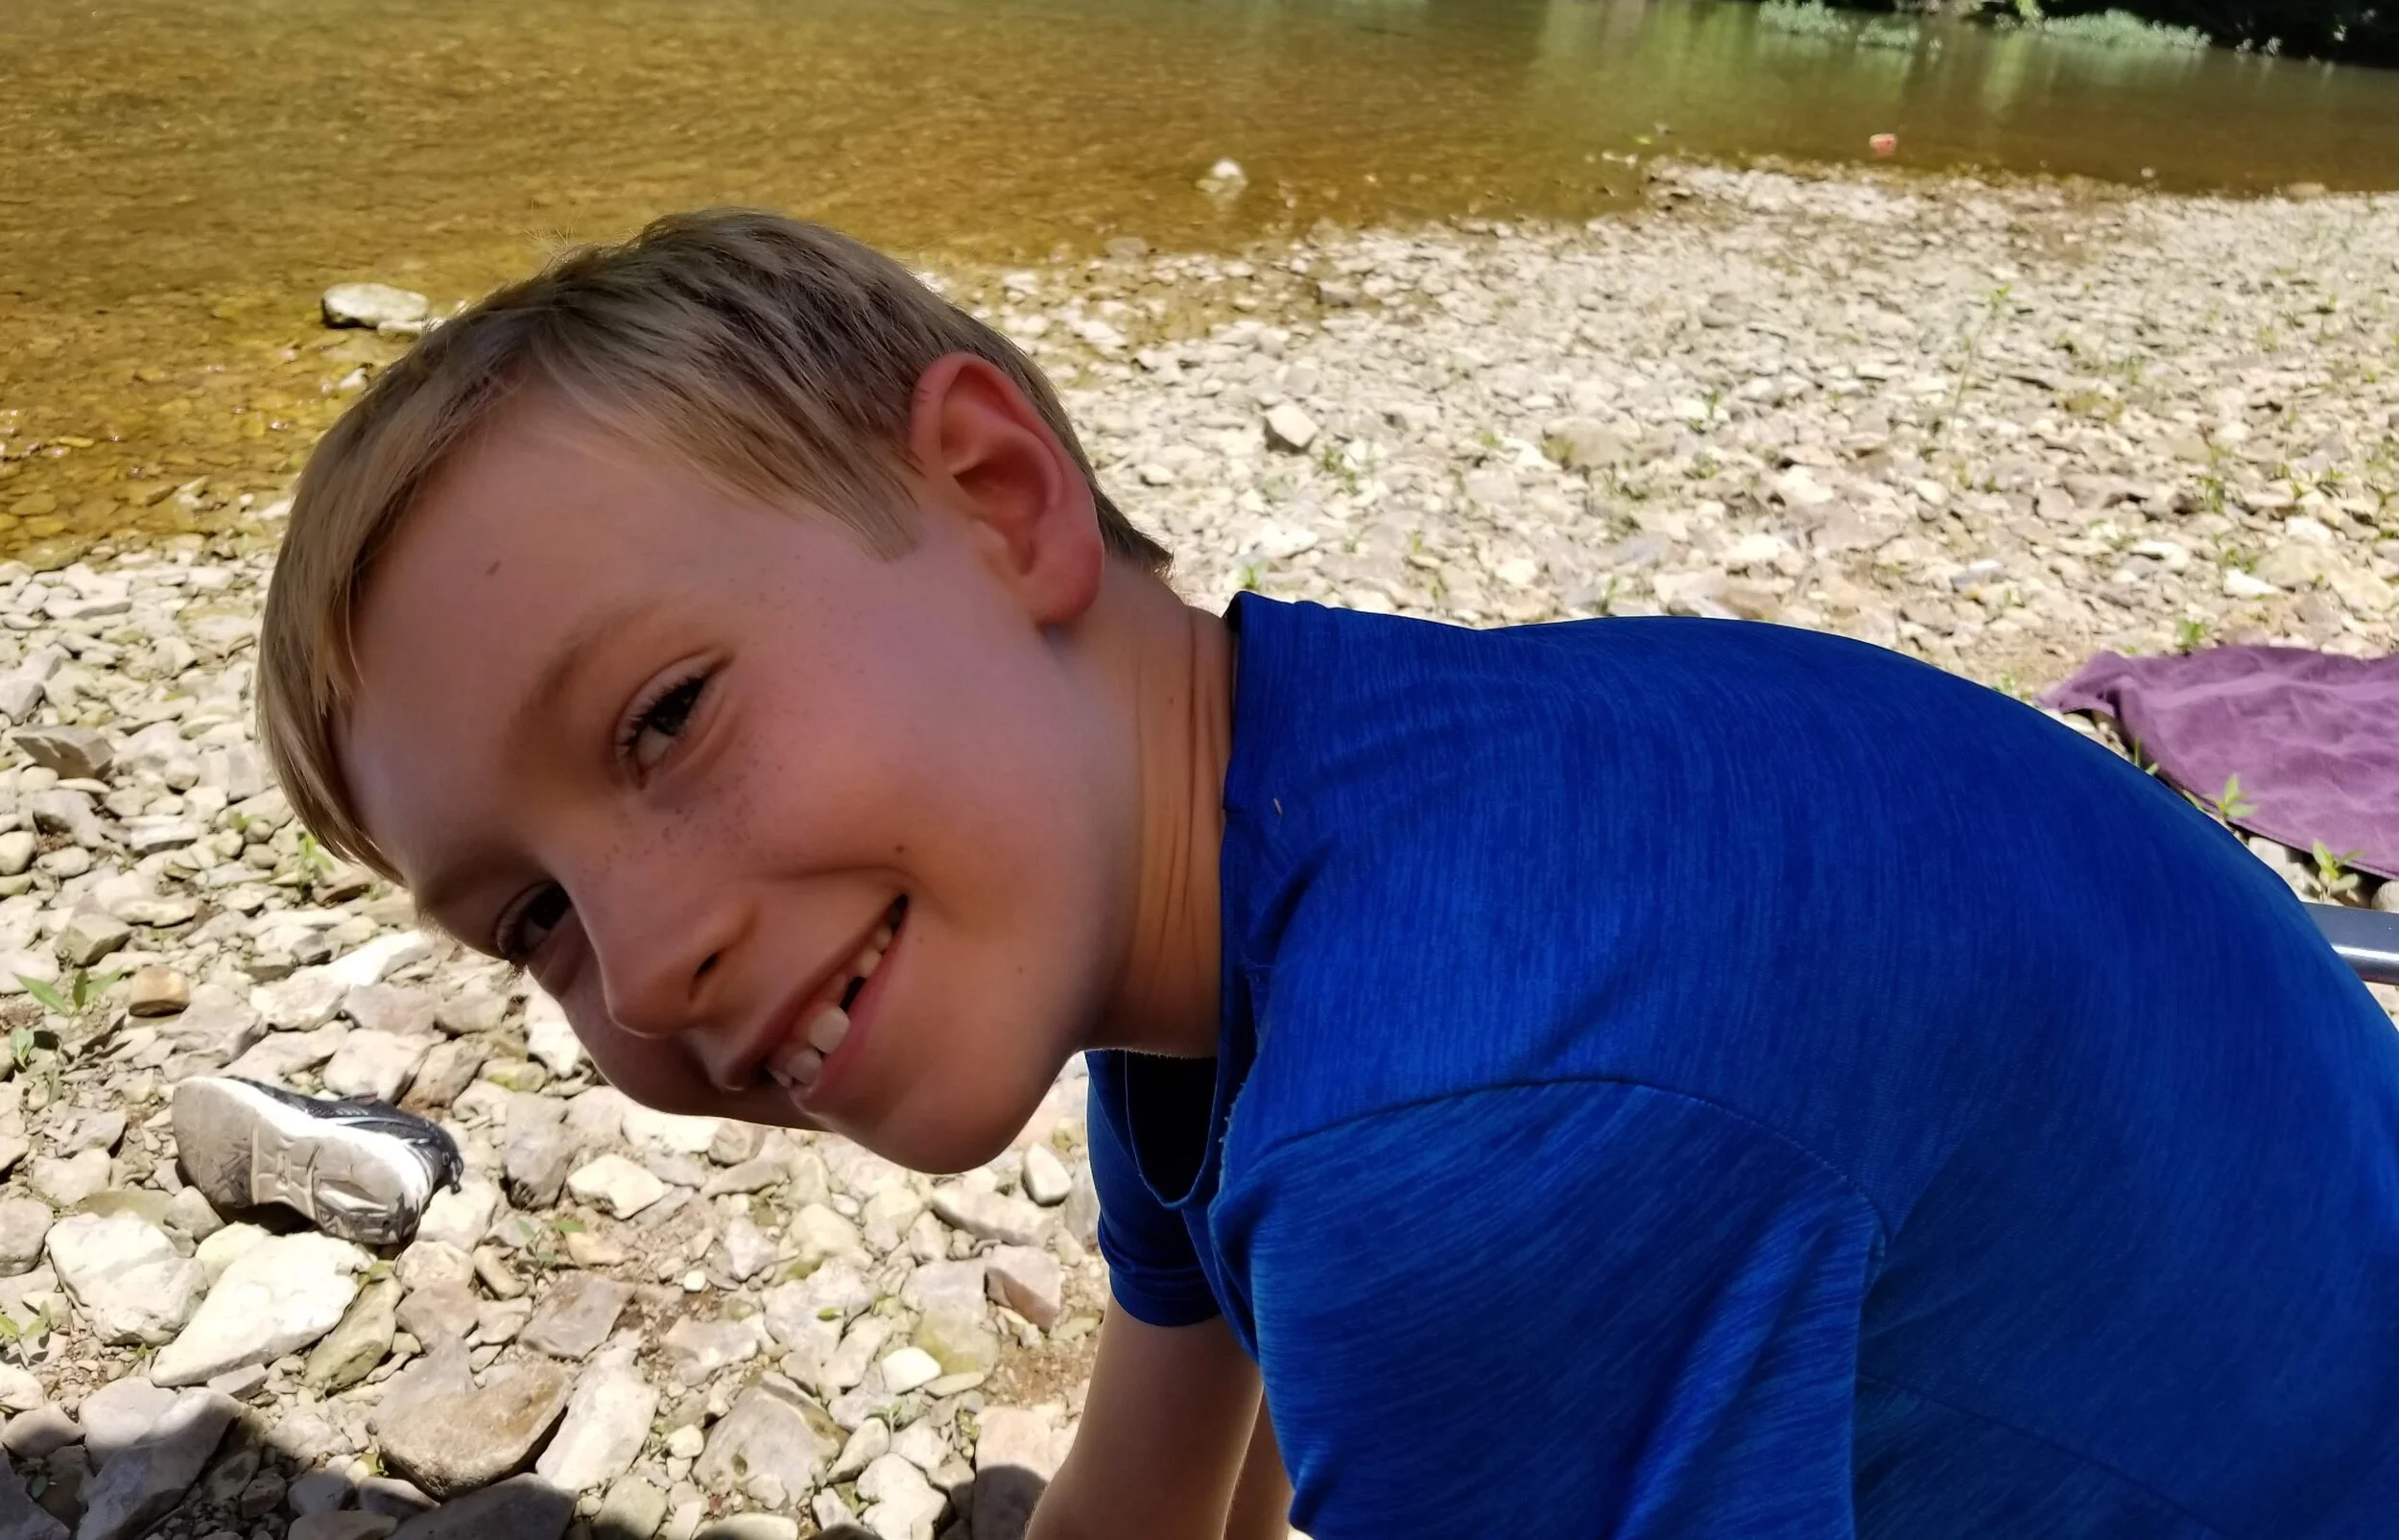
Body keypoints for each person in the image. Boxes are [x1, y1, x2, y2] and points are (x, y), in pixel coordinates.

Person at [252, 209, 2399, 1538]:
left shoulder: (1448, 1130)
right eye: (527, 916)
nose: (642, 961)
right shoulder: (1232, 842)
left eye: (661, 720)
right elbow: (1145, 1487)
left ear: (1001, 503)